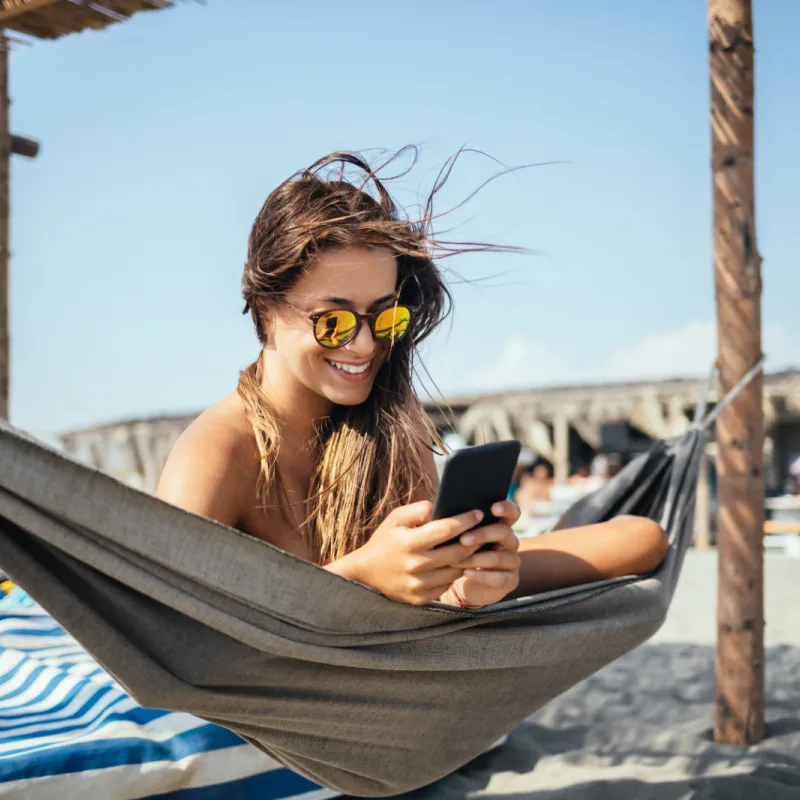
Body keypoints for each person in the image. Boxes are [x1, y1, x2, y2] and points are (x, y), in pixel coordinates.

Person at [157, 150, 668, 610]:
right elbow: (170, 627)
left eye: (385, 319)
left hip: (391, 674)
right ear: (267, 313)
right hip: (277, 690)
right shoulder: (218, 452)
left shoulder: (386, 424)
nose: (363, 346)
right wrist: (360, 577)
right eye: (332, 322)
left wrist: (469, 582)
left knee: (641, 539)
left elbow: (426, 592)